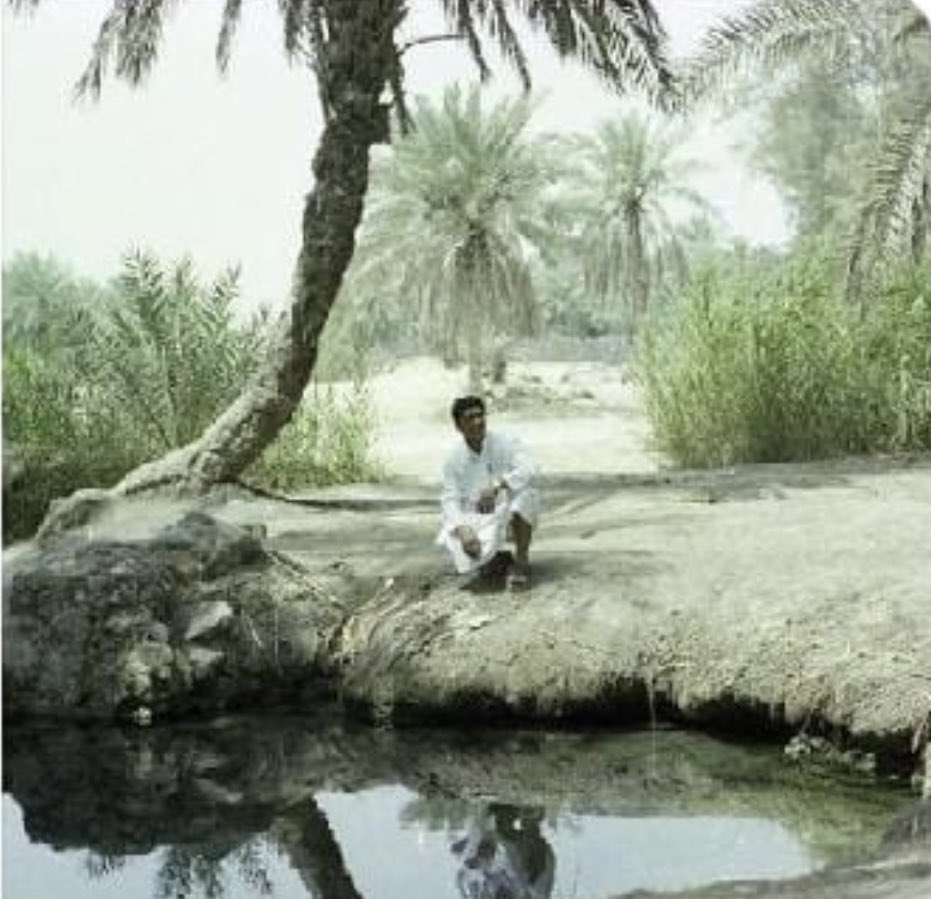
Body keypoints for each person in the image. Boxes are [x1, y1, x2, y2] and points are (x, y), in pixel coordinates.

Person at [436, 395, 538, 590]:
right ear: (458, 426)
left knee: (527, 495)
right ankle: (497, 559)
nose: (477, 422)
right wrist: (462, 529)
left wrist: (499, 485)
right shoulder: (453, 458)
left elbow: (530, 468)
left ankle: (521, 561)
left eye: (480, 415)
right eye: (470, 418)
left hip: (509, 510)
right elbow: (449, 498)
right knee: (467, 552)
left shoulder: (505, 441)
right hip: (480, 516)